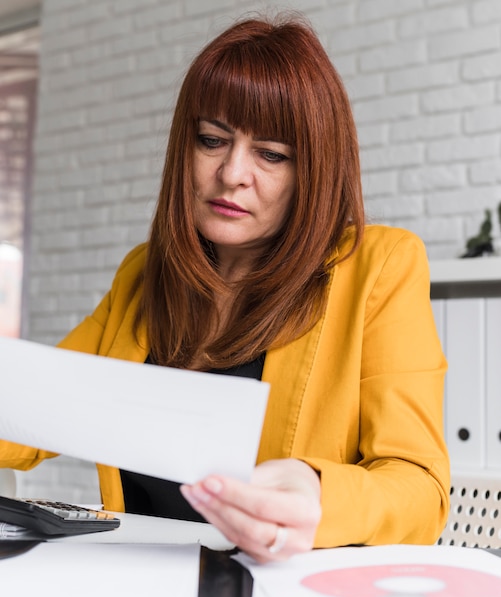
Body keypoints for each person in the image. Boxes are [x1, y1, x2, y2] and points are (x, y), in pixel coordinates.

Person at [0, 13, 450, 564]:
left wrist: (317, 492)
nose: (233, 172)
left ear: (315, 170)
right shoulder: (143, 275)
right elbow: (30, 412)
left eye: (271, 154)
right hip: (136, 587)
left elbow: (420, 489)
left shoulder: (379, 267)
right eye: (212, 140)